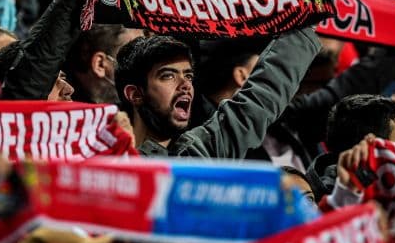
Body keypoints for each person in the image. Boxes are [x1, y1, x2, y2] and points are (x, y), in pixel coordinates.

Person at [116, 26, 321, 157]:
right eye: (168, 76)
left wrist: (303, 27)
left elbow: (259, 100)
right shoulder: (101, 157)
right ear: (135, 94)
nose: (186, 84)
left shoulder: (201, 152)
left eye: (188, 75)